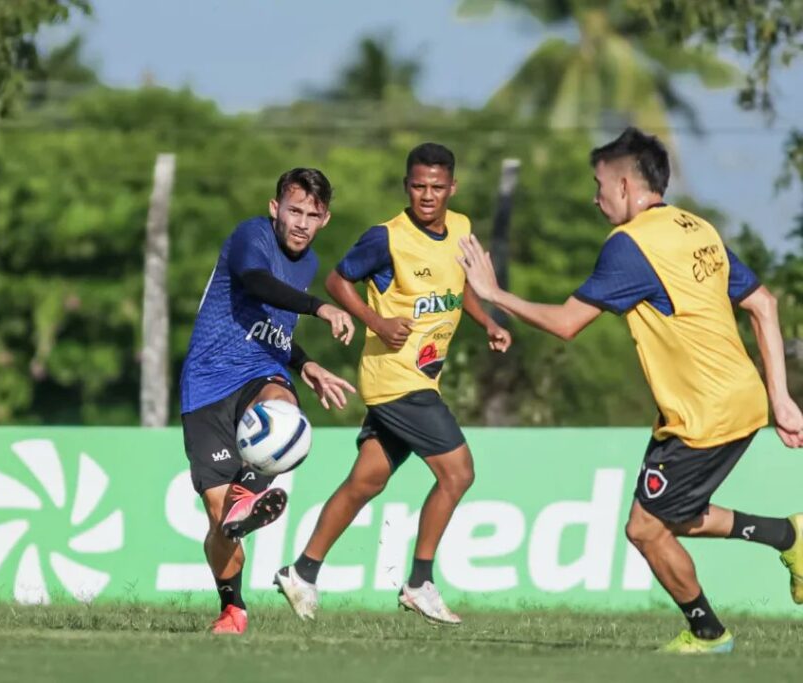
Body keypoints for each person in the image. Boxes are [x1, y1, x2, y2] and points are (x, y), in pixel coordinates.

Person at [458, 127, 803, 654]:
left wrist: (494, 292)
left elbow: (568, 322)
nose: (595, 199)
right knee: (672, 513)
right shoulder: (697, 228)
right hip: (732, 401)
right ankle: (789, 538)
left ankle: (709, 634)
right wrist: (779, 397)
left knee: (645, 528)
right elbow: (765, 305)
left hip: (705, 414)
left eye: (598, 185)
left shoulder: (630, 244)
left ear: (623, 185)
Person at [275, 143, 511, 624]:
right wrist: (376, 323)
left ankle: (301, 571)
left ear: (452, 188)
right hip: (395, 380)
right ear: (407, 186)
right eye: (419, 186)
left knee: (367, 480)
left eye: (437, 187)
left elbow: (457, 285)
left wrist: (486, 321)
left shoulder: (461, 228)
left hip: (423, 378)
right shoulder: (385, 238)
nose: (428, 196)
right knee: (458, 472)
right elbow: (339, 281)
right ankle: (421, 581)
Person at [179, 167, 357, 635]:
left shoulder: (308, 262)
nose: (301, 223)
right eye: (293, 210)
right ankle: (233, 608)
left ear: (325, 220)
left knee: (284, 415)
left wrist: (306, 365)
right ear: (275, 208)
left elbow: (273, 331)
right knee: (220, 523)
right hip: (205, 386)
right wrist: (320, 306)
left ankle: (250, 489)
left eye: (312, 215)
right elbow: (257, 285)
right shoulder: (250, 236)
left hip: (260, 373)